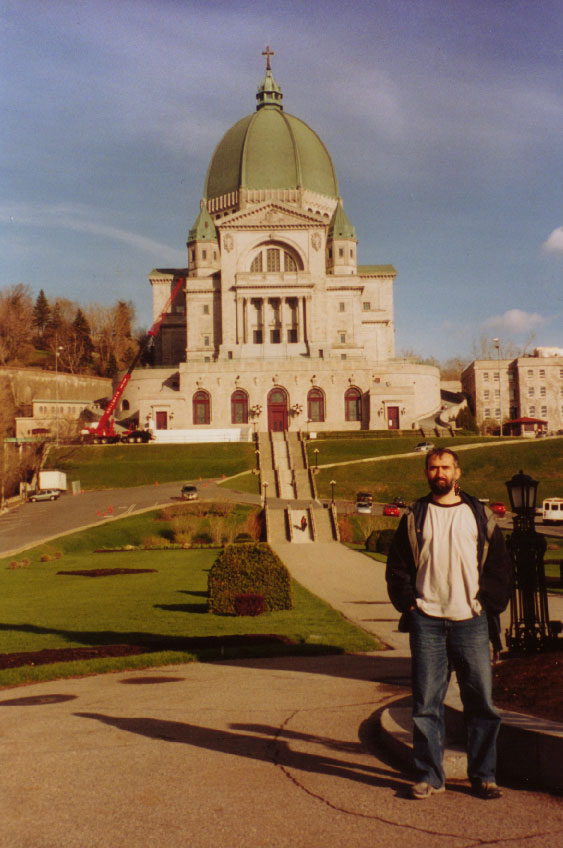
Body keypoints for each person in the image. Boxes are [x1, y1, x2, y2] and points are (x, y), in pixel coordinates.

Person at [385, 447, 512, 801]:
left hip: (471, 620)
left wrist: (486, 605)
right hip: (427, 620)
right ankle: (429, 776)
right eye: (432, 468)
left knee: (481, 703)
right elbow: (397, 567)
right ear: (426, 473)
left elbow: (500, 568)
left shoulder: (479, 516)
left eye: (445, 467)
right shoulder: (415, 516)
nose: (439, 473)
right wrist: (410, 604)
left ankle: (484, 776)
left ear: (458, 472)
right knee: (426, 704)